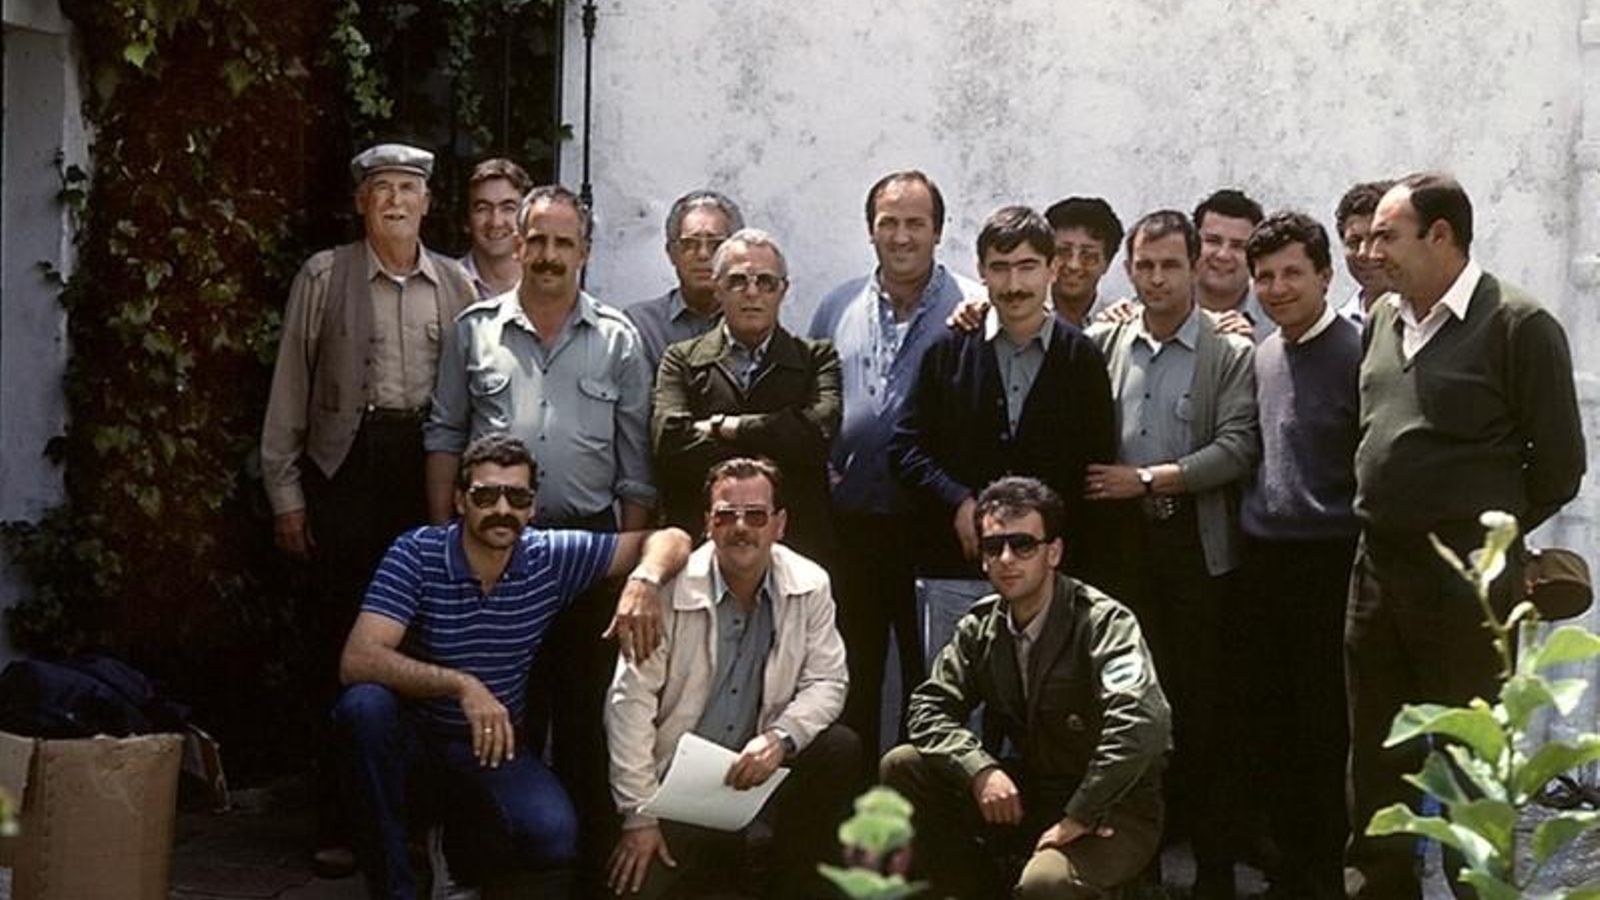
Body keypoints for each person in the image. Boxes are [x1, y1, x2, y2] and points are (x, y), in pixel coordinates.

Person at [1346, 172, 1586, 898]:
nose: (1369, 249)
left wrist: (1485, 543)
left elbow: (1560, 467)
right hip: (1375, 576)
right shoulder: (1384, 318)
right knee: (1377, 766)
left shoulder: (1519, 323)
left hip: (1467, 590)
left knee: (1471, 768)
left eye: (1386, 235)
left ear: (1440, 235)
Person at [334, 434, 691, 900]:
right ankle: (394, 887)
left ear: (532, 507)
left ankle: (456, 849)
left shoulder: (547, 556)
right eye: (485, 495)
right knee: (365, 708)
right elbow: (358, 659)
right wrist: (463, 686)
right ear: (460, 501)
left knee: (553, 835)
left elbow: (671, 538)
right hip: (414, 741)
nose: (501, 508)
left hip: (491, 748)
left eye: (516, 497)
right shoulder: (417, 552)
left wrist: (644, 579)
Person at [424, 183, 656, 886]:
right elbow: (443, 434)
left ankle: (584, 875)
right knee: (495, 722)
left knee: (589, 719)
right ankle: (487, 872)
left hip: (585, 554)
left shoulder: (618, 339)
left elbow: (636, 473)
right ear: (516, 244)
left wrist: (624, 576)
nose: (550, 256)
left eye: (565, 243)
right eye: (539, 241)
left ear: (584, 252)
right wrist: (446, 543)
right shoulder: (475, 330)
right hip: (493, 547)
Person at [260, 142, 476, 874]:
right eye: (381, 188)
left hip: (428, 473)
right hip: (345, 472)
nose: (395, 200)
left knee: (424, 643)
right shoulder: (324, 276)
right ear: (360, 202)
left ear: (427, 203)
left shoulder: (456, 283)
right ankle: (339, 822)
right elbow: (290, 387)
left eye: (409, 188)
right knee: (342, 649)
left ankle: (414, 821)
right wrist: (286, 492)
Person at [881, 476, 1170, 900]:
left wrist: (1081, 813)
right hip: (1034, 792)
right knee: (903, 765)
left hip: (1112, 805)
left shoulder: (1103, 622)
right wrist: (979, 769)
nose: (1007, 559)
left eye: (1023, 545)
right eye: (993, 547)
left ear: (1053, 552)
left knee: (1045, 885)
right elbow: (928, 708)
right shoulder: (982, 625)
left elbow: (1141, 725)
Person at [1083, 209, 1258, 898]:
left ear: (1195, 268)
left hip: (1196, 549)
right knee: (1128, 706)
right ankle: (1137, 863)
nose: (1157, 278)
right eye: (1145, 266)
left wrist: (1150, 479)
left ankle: (1213, 868)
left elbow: (1240, 447)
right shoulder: (1104, 342)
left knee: (1202, 712)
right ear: (1129, 269)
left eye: (1170, 265)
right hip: (1122, 553)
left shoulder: (1230, 351)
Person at [604, 457, 857, 899]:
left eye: (756, 515)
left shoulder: (811, 583)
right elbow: (629, 705)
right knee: (634, 888)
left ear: (779, 524)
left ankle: (791, 880)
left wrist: (780, 738)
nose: (741, 527)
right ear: (707, 523)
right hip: (675, 791)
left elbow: (828, 681)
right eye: (726, 515)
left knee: (839, 748)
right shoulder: (666, 591)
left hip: (760, 777)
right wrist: (639, 817)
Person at [808, 169, 985, 762]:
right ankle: (853, 829)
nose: (902, 236)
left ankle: (920, 828)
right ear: (870, 230)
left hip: (934, 527)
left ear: (938, 231)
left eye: (916, 223)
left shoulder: (972, 308)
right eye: (890, 222)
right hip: (853, 529)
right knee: (849, 679)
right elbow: (817, 401)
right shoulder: (836, 306)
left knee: (932, 684)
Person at [890, 205, 1115, 584]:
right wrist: (958, 500)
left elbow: (1093, 469)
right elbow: (905, 448)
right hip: (956, 566)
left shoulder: (1082, 358)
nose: (1014, 285)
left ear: (1052, 269)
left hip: (1053, 575)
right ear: (981, 272)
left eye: (1027, 266)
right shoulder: (947, 350)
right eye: (1000, 267)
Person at [1240, 211, 1361, 899]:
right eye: (1266, 276)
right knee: (1272, 725)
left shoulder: (1357, 354)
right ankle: (1289, 870)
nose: (1278, 288)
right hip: (1265, 563)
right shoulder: (1263, 354)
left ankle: (1323, 874)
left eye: (1292, 273)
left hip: (1331, 562)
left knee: (1325, 732)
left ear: (1325, 274)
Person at [651, 228, 841, 561]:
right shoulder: (681, 359)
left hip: (797, 548)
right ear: (717, 286)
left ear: (783, 290)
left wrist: (725, 426)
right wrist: (777, 442)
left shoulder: (815, 358)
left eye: (766, 282)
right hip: (703, 549)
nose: (752, 292)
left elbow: (818, 434)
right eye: (738, 281)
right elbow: (670, 441)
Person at [625, 189, 745, 375]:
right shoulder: (642, 326)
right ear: (671, 253)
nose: (703, 254)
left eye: (716, 244)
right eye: (690, 244)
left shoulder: (753, 319)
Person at [1192, 188, 1272, 338]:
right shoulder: (1161, 304)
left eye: (1238, 246)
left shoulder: (1277, 318)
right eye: (1213, 241)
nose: (1223, 255)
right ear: (1192, 244)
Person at [1044, 196, 1125, 328]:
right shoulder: (1023, 316)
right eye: (1063, 252)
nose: (1073, 265)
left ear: (1107, 263)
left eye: (1088, 256)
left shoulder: (1119, 325)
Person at [459, 158, 532, 299]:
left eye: (508, 208)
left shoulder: (543, 284)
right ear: (467, 219)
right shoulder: (445, 282)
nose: (496, 222)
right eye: (482, 209)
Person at [1332, 179, 1395, 324]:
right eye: (1354, 242)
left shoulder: (1431, 321)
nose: (1363, 253)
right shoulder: (1338, 331)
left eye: (1376, 238)